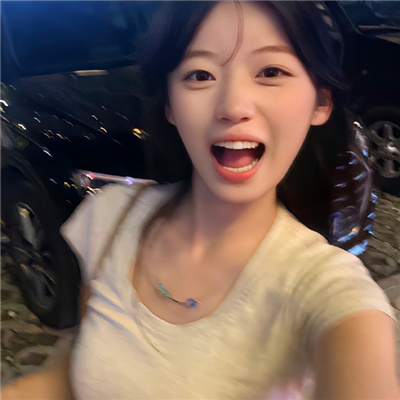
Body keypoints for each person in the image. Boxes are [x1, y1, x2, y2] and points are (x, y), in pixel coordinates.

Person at [2, 1, 399, 399]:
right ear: (170, 105)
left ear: (320, 102)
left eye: (270, 72)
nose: (233, 107)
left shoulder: (329, 292)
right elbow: (70, 379)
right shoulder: (110, 217)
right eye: (200, 74)